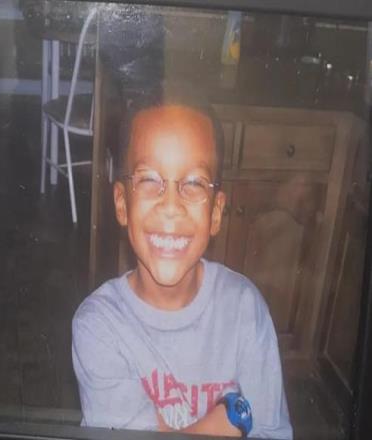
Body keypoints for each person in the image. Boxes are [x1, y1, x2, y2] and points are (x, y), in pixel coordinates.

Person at [72, 102, 293, 439]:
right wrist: (230, 421)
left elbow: (272, 434)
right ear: (122, 204)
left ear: (216, 213)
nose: (171, 206)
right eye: (149, 179)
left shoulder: (245, 308)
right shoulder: (98, 325)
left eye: (194, 183)